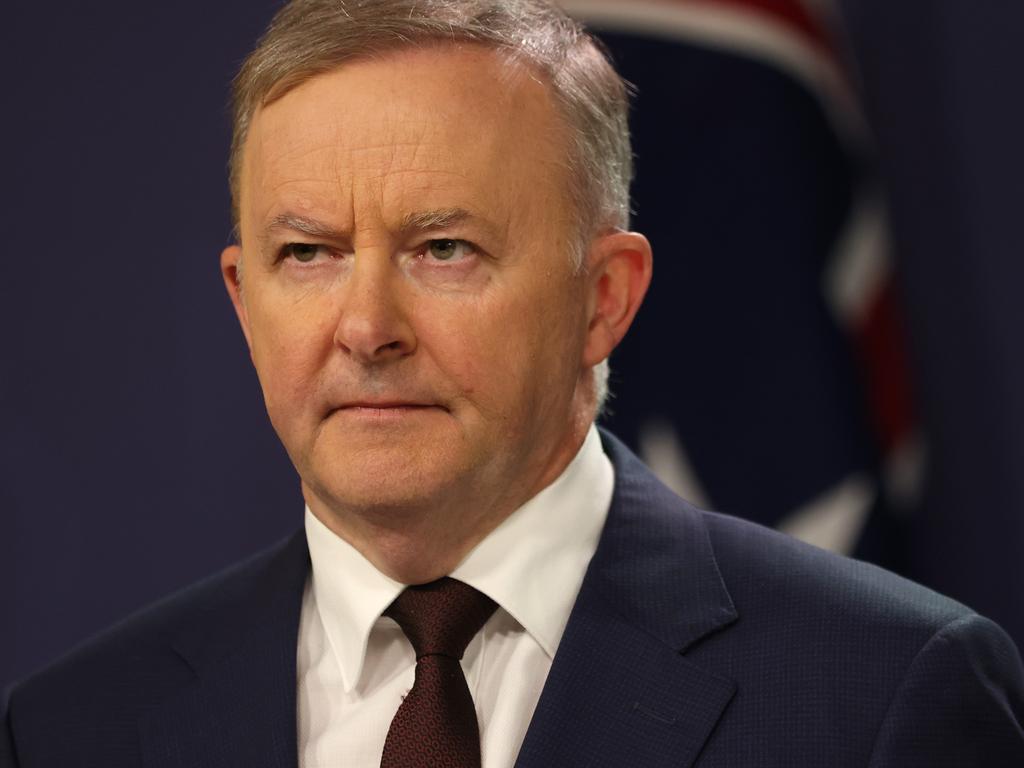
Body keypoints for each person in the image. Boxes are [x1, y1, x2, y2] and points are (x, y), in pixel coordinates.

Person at [3, 0, 1022, 765]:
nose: (365, 328)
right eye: (307, 254)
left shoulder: (881, 696)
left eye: (443, 248)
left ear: (604, 298)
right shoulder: (74, 730)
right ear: (241, 297)